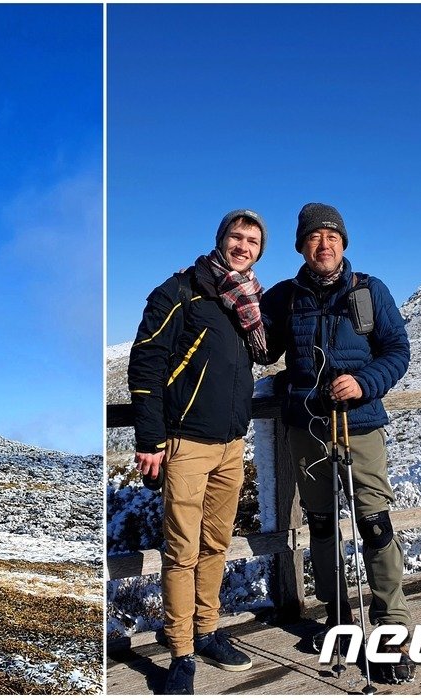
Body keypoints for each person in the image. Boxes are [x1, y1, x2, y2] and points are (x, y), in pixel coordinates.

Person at [260, 202, 415, 684]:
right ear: (300, 246)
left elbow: (397, 351)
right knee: (323, 525)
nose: (323, 244)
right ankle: (339, 616)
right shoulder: (286, 297)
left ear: (343, 243)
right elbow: (260, 345)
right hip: (307, 426)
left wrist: (364, 382)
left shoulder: (370, 290)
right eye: (313, 237)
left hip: (360, 422)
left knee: (373, 522)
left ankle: (391, 629)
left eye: (331, 236)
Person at [129, 209, 272, 694]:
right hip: (186, 444)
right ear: (221, 239)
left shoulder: (248, 301)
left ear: (258, 251)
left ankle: (208, 631)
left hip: (232, 444)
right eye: (237, 236)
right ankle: (181, 651)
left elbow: (262, 355)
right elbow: (146, 362)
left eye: (253, 240)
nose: (244, 245)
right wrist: (149, 440)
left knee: (216, 545)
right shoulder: (182, 290)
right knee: (181, 551)